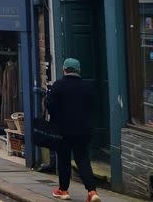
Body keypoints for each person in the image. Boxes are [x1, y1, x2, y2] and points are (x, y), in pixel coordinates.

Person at [45, 58, 101, 202]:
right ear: (79, 71)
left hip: (62, 130)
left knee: (64, 159)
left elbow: (49, 105)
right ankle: (92, 191)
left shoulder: (58, 86)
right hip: (83, 130)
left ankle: (63, 190)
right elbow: (94, 107)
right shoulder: (87, 87)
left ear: (64, 70)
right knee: (82, 158)